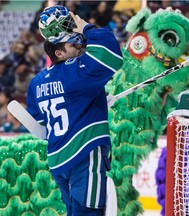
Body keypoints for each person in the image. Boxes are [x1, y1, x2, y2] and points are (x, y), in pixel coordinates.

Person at [26, 5, 123, 215]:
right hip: (84, 154)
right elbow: (112, 54)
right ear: (59, 53)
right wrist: (86, 27)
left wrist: (83, 101)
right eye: (74, 43)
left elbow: (41, 123)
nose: (81, 46)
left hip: (58, 162)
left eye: (81, 41)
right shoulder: (77, 71)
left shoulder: (36, 82)